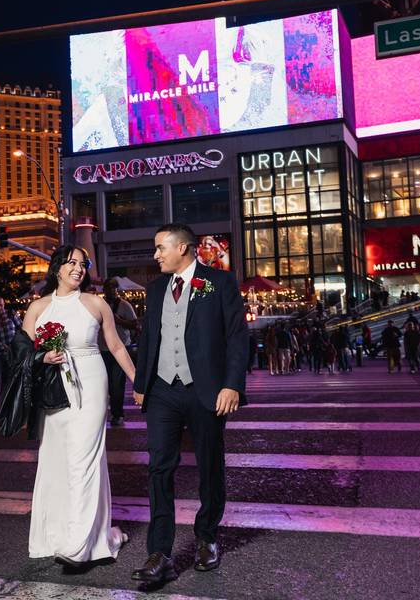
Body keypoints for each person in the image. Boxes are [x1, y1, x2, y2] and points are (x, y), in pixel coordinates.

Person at [131, 224, 248, 583]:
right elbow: (150, 337)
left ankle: (207, 537)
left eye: (160, 248)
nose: (155, 255)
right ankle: (160, 552)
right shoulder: (156, 289)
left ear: (184, 248)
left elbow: (237, 337)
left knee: (210, 465)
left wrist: (232, 386)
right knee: (159, 468)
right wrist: (141, 384)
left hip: (206, 390)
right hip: (163, 389)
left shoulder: (220, 283)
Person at [21, 245, 136, 565]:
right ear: (56, 267)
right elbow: (20, 354)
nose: (78, 268)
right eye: (71, 262)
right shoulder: (38, 307)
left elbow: (115, 346)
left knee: (84, 457)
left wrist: (139, 382)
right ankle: (61, 534)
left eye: (82, 263)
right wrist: (44, 356)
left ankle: (79, 544)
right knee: (56, 458)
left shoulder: (96, 303)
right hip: (54, 389)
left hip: (91, 381)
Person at [101, 277, 139, 426]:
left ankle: (118, 414)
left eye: (113, 288)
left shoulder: (124, 305)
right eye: (108, 288)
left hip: (121, 348)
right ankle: (107, 413)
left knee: (117, 384)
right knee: (106, 384)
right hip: (103, 349)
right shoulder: (100, 304)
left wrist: (118, 320)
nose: (111, 291)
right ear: (104, 290)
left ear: (117, 290)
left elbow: (135, 325)